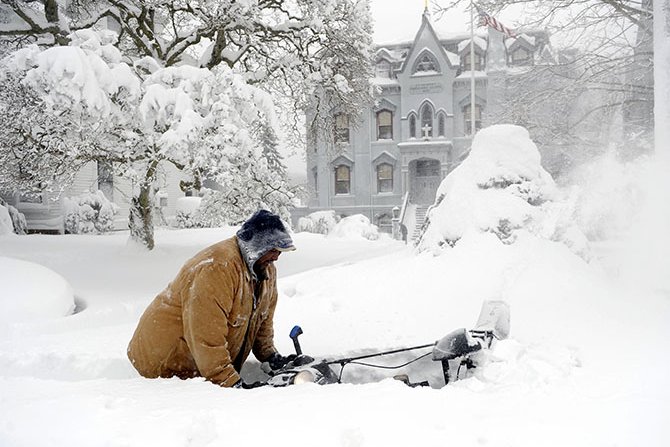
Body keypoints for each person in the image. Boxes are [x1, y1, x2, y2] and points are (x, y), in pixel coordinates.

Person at [127, 209, 296, 388]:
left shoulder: (265, 269)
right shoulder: (217, 268)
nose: (277, 256)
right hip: (163, 366)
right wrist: (229, 381)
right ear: (257, 246)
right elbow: (206, 335)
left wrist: (270, 356)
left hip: (199, 362)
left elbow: (262, 321)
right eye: (273, 250)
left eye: (280, 251)